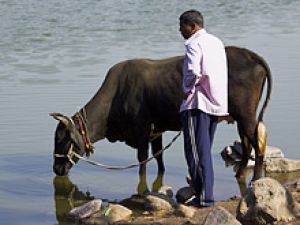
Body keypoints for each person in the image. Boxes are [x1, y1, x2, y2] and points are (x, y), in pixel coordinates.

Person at [179, 10, 228, 207]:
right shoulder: (216, 41)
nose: (179, 29)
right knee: (204, 150)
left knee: (196, 152)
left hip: (197, 103)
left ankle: (205, 197)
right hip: (214, 102)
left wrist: (186, 89)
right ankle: (202, 192)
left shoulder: (193, 43)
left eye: (181, 25)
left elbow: (193, 71)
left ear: (192, 27)